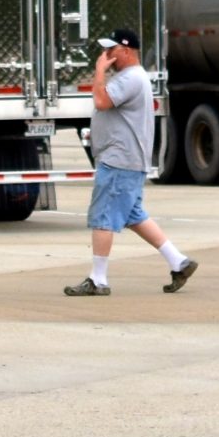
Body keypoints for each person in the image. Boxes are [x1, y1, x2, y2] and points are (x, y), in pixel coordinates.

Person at [65, 29, 197, 297]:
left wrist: (99, 71)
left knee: (103, 217)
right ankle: (178, 262)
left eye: (111, 50)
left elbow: (101, 102)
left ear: (126, 51)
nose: (106, 55)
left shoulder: (130, 78)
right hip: (126, 159)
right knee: (132, 215)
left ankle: (98, 280)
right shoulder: (134, 77)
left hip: (119, 160)